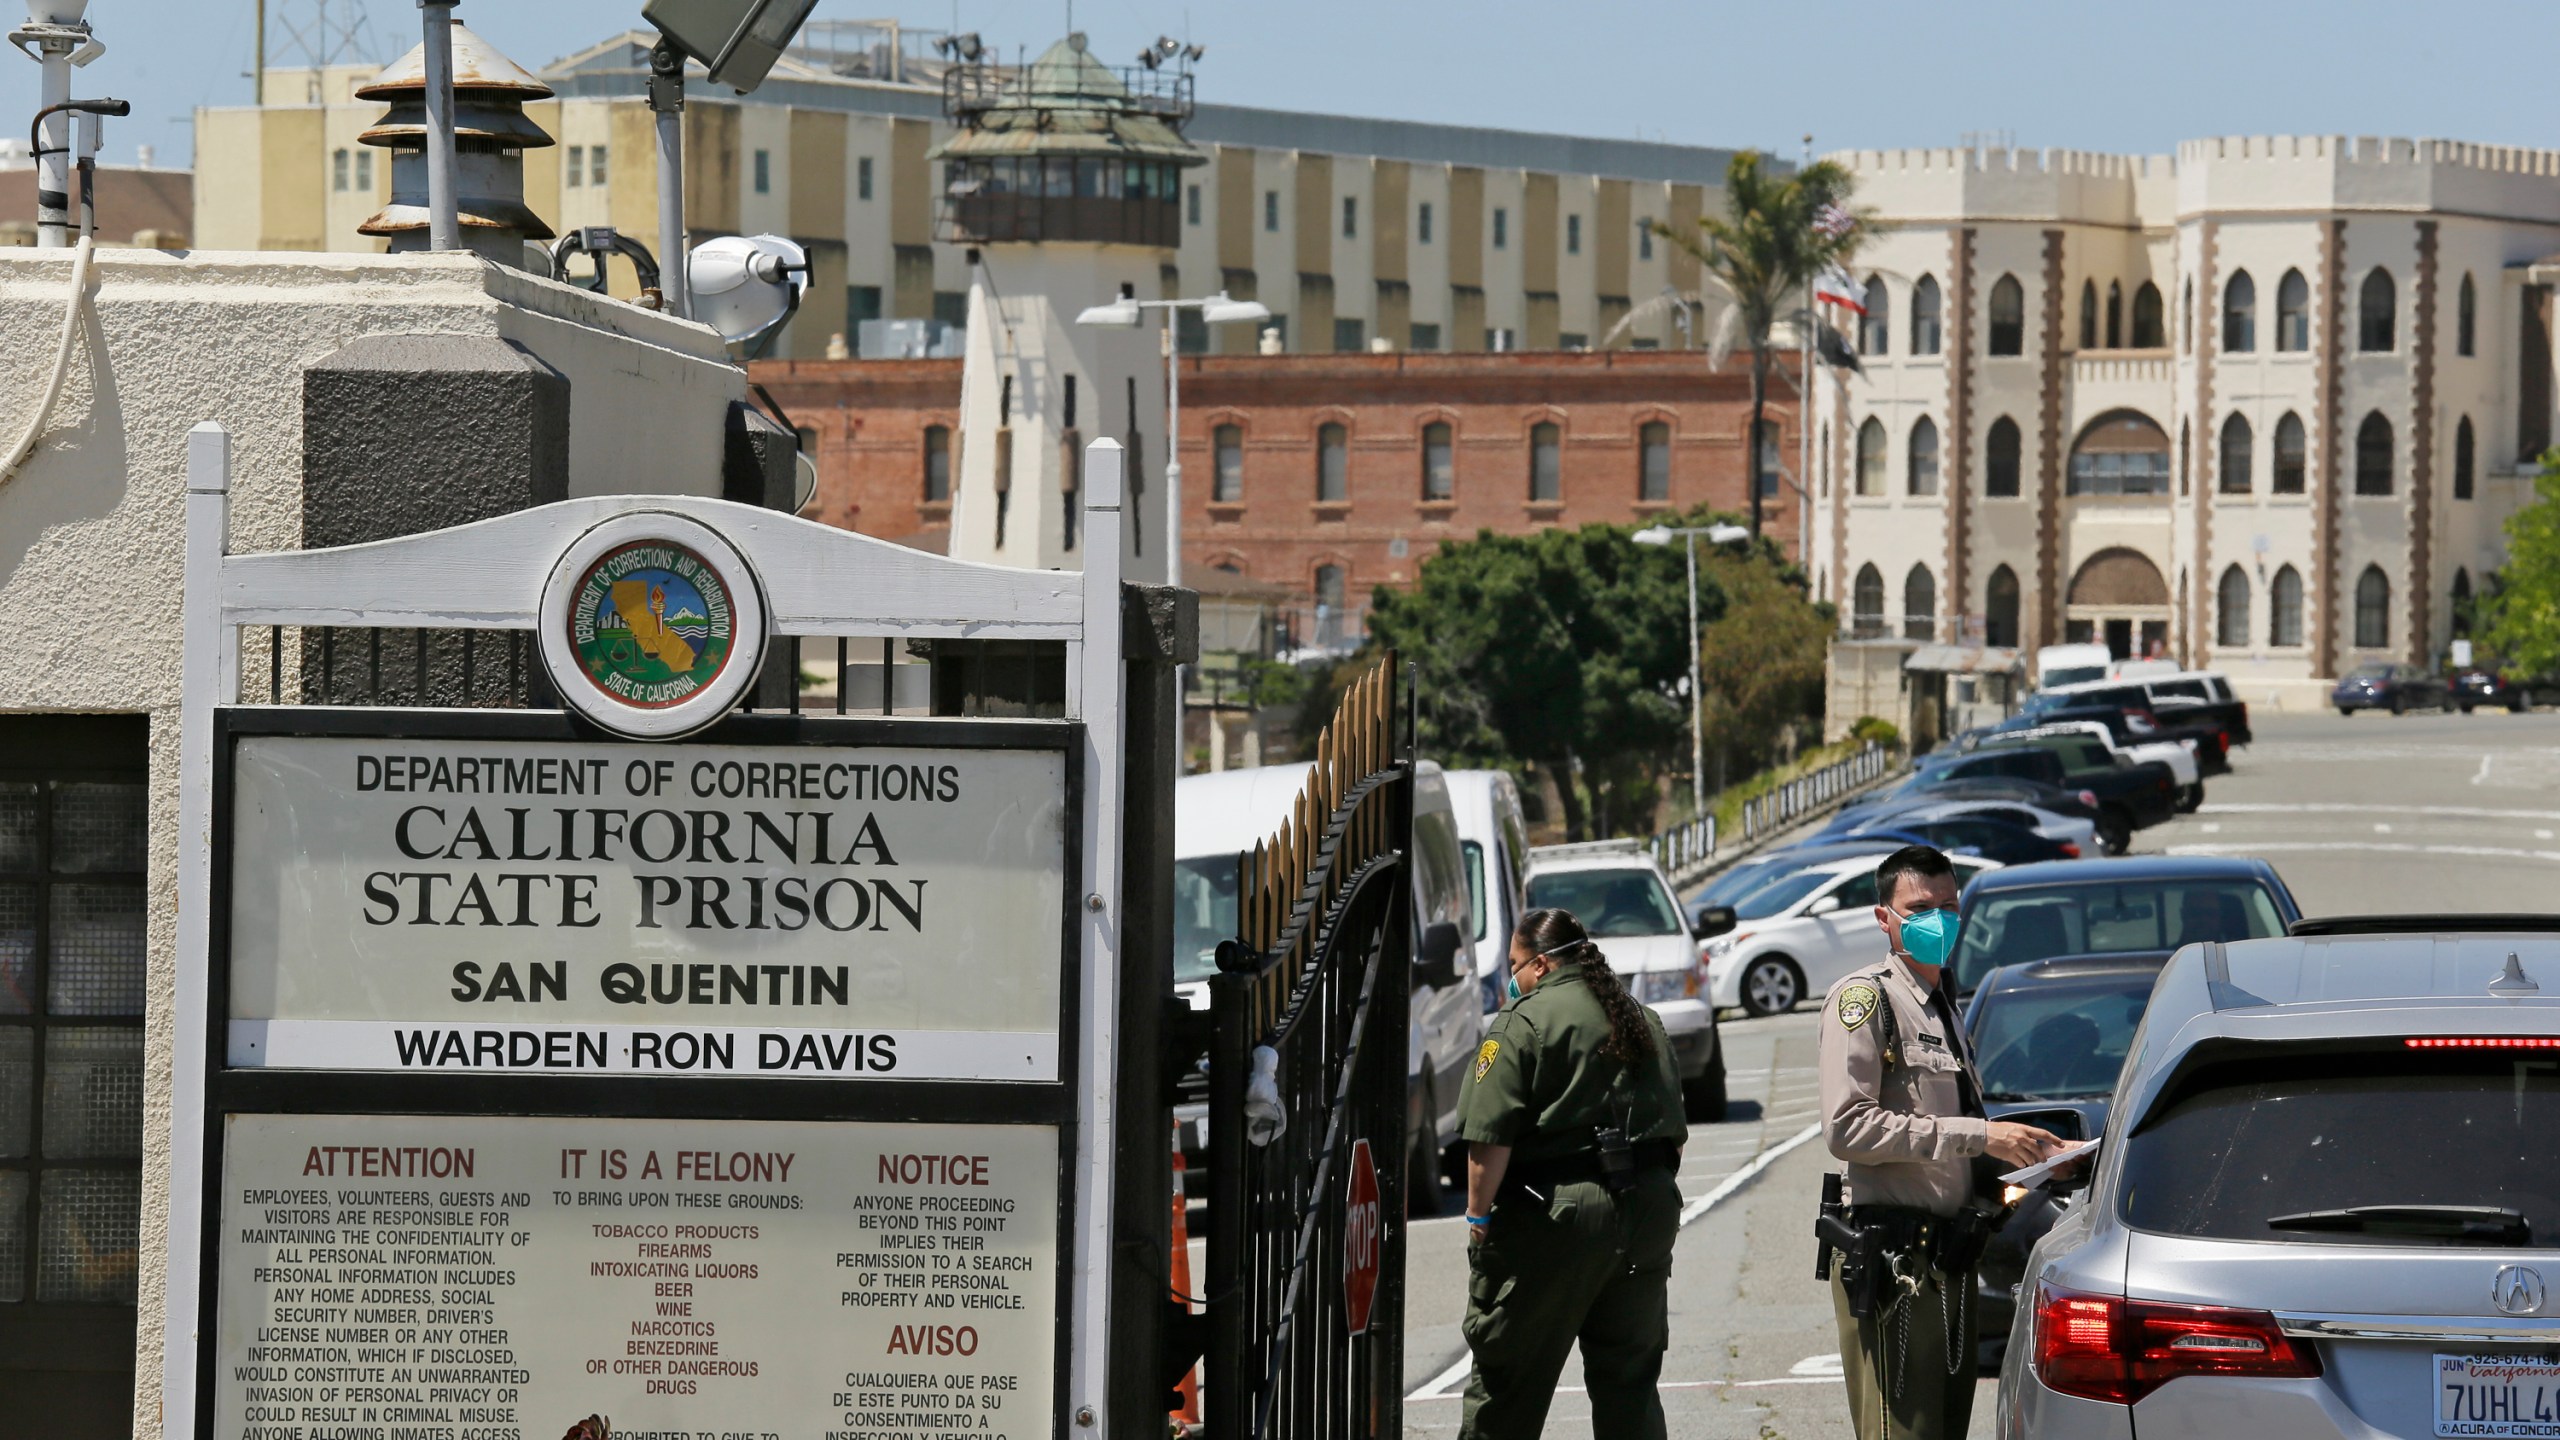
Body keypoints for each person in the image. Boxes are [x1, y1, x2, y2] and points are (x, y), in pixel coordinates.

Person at [1818, 845, 2068, 1440]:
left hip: (1950, 1257)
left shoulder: (1942, 1003)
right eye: (1920, 908)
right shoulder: (1865, 999)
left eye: (1949, 907)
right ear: (1885, 918)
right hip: (1894, 1259)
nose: (1939, 921)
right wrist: (1979, 1135)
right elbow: (1846, 1126)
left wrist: (2028, 1153)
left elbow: (1950, 1124)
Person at [1454, 907, 1687, 1440]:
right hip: (1646, 1208)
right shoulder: (1640, 1016)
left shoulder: (1523, 1021)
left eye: (1514, 964)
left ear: (1539, 965)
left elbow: (1488, 1138)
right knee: (1629, 1382)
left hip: (1555, 1215)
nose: (1510, 977)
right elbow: (1672, 1131)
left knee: (1508, 1380)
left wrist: (1478, 1217)